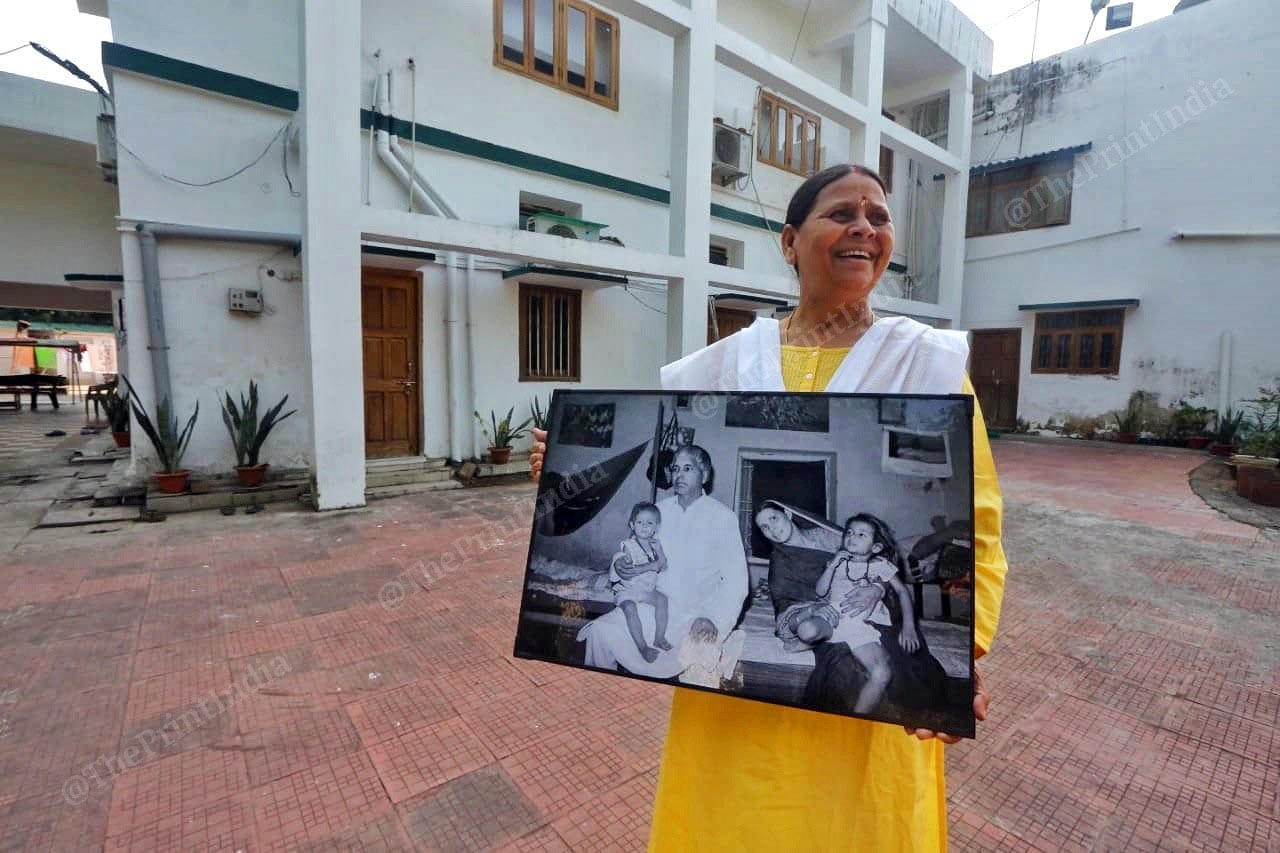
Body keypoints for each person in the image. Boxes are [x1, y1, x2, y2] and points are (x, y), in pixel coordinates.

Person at [533, 163, 1008, 851]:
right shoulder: (718, 368)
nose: (864, 228)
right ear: (789, 241)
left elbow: (984, 527)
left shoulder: (927, 364)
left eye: (878, 216)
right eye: (842, 212)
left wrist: (966, 653)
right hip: (731, 722)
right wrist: (561, 473)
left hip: (866, 742)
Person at [576, 445, 748, 682]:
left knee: (701, 654)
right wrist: (618, 565)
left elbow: (736, 582)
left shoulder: (723, 517)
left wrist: (714, 619)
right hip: (656, 608)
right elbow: (633, 545)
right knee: (601, 631)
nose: (679, 475)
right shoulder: (660, 511)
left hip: (697, 613)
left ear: (704, 476)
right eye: (675, 469)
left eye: (688, 469)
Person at [814, 513, 920, 714]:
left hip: (860, 627)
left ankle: (857, 718)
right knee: (807, 629)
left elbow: (902, 591)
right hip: (832, 619)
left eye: (861, 534)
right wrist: (833, 564)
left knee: (881, 673)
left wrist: (909, 627)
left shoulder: (881, 565)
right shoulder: (837, 562)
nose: (852, 537)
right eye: (849, 532)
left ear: (876, 547)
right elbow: (819, 592)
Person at [608, 501, 672, 662]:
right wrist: (624, 561)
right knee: (630, 608)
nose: (644, 527)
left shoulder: (655, 545)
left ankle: (659, 638)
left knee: (663, 600)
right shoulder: (628, 545)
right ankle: (642, 647)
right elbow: (628, 567)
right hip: (628, 589)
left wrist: (660, 552)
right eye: (640, 522)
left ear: (656, 527)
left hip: (646, 589)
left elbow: (662, 565)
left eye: (649, 523)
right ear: (632, 525)